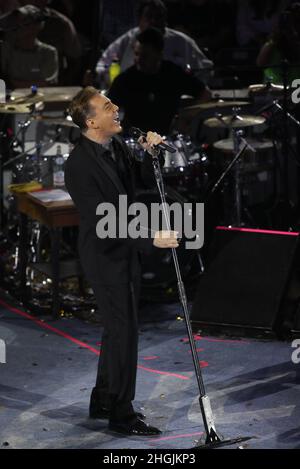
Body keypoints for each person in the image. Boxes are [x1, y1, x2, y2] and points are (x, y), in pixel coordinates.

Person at [64, 86, 179, 436]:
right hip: (104, 256)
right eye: (107, 106)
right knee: (124, 331)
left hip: (122, 251)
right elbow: (102, 223)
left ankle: (103, 399)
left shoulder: (114, 147)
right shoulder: (79, 166)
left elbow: (139, 184)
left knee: (116, 331)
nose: (116, 109)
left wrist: (147, 154)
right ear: (90, 120)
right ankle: (121, 413)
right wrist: (150, 239)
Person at [107, 27, 211, 135]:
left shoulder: (173, 73)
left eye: (145, 56)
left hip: (166, 141)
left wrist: (185, 116)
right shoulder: (126, 79)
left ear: (159, 55)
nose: (139, 60)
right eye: (137, 54)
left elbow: (205, 94)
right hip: (134, 142)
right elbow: (106, 110)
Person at [95, 0, 213, 87]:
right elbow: (103, 66)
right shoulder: (127, 39)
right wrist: (105, 78)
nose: (153, 21)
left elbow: (205, 68)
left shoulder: (181, 41)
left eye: (158, 17)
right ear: (140, 20)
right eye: (149, 17)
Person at [1, 4, 58, 88]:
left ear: (37, 26)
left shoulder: (48, 52)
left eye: (25, 23)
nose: (18, 27)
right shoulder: (6, 49)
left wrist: (15, 84)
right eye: (16, 22)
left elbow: (46, 83)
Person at [256, 3, 300, 84]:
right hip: (274, 90)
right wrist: (275, 38)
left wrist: (293, 38)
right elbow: (260, 63)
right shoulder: (273, 42)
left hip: (296, 89)